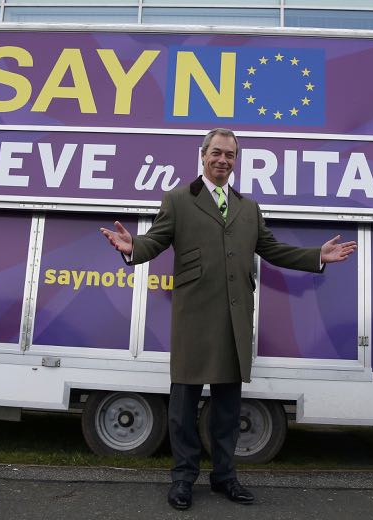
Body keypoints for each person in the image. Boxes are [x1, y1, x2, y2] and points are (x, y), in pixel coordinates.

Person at [100, 128, 356, 511]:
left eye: (230, 155)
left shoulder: (248, 208)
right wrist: (132, 247)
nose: (223, 160)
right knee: (183, 408)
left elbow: (271, 249)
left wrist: (316, 255)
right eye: (216, 153)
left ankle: (224, 477)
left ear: (235, 161)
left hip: (234, 319)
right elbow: (155, 240)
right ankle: (183, 478)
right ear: (202, 155)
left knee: (227, 409)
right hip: (193, 318)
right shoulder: (178, 200)